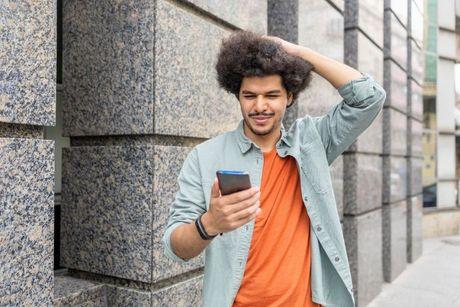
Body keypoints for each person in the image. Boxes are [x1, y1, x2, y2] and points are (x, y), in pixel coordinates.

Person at [162, 30, 386, 307]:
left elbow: (370, 97)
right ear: (237, 96)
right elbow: (174, 247)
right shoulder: (205, 157)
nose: (260, 106)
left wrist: (298, 54)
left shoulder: (312, 144)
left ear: (289, 96)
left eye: (271, 95)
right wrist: (209, 224)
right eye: (249, 96)